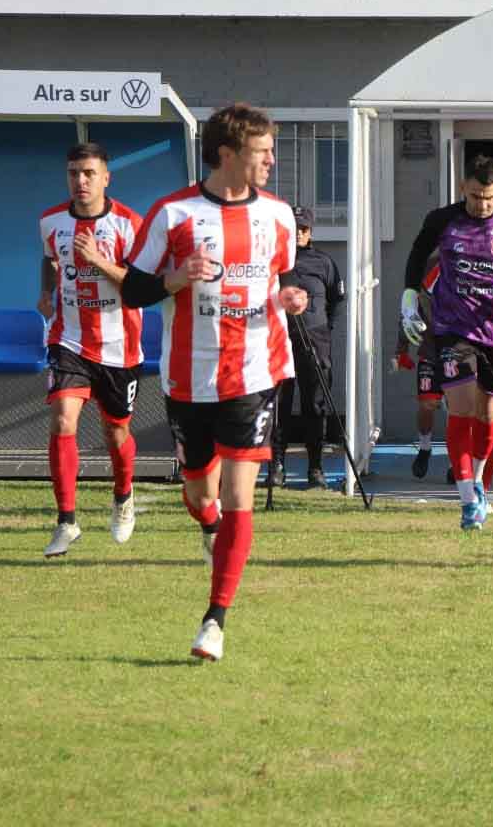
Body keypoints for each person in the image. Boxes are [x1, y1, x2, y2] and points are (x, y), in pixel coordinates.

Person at [121, 102, 309, 661]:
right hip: (188, 378)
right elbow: (132, 290)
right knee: (203, 494)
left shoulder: (276, 216)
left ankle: (215, 620)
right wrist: (177, 278)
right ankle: (209, 526)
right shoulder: (172, 214)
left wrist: (288, 297)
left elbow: (280, 280)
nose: (272, 160)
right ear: (227, 154)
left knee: (238, 493)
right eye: (261, 151)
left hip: (255, 370)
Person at [401, 154, 493, 530]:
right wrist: (408, 295)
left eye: (488, 197)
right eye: (474, 196)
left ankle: (479, 481)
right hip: (453, 329)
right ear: (463, 188)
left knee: (487, 416)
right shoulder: (443, 219)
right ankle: (467, 499)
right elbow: (417, 256)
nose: (481, 205)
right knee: (462, 410)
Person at [37, 142, 144, 558]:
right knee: (63, 419)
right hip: (68, 339)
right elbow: (48, 259)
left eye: (88, 173)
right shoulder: (51, 221)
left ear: (105, 177)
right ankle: (66, 521)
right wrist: (46, 292)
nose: (80, 182)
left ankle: (123, 495)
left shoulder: (129, 224)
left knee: (116, 430)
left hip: (119, 348)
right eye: (73, 174)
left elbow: (139, 288)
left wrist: (99, 263)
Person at [270, 205, 345, 489]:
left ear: (310, 231)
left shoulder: (323, 262)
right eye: (294, 228)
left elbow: (337, 300)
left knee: (316, 404)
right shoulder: (274, 262)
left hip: (315, 340)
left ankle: (315, 468)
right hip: (279, 340)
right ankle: (277, 466)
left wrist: (325, 330)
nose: (299, 234)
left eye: (304, 229)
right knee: (280, 405)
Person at [396, 257, 444, 479]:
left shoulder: (472, 262)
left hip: (462, 350)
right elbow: (409, 309)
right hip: (430, 350)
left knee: (458, 409)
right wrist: (401, 349)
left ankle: (458, 462)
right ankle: (424, 447)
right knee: (427, 403)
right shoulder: (429, 262)